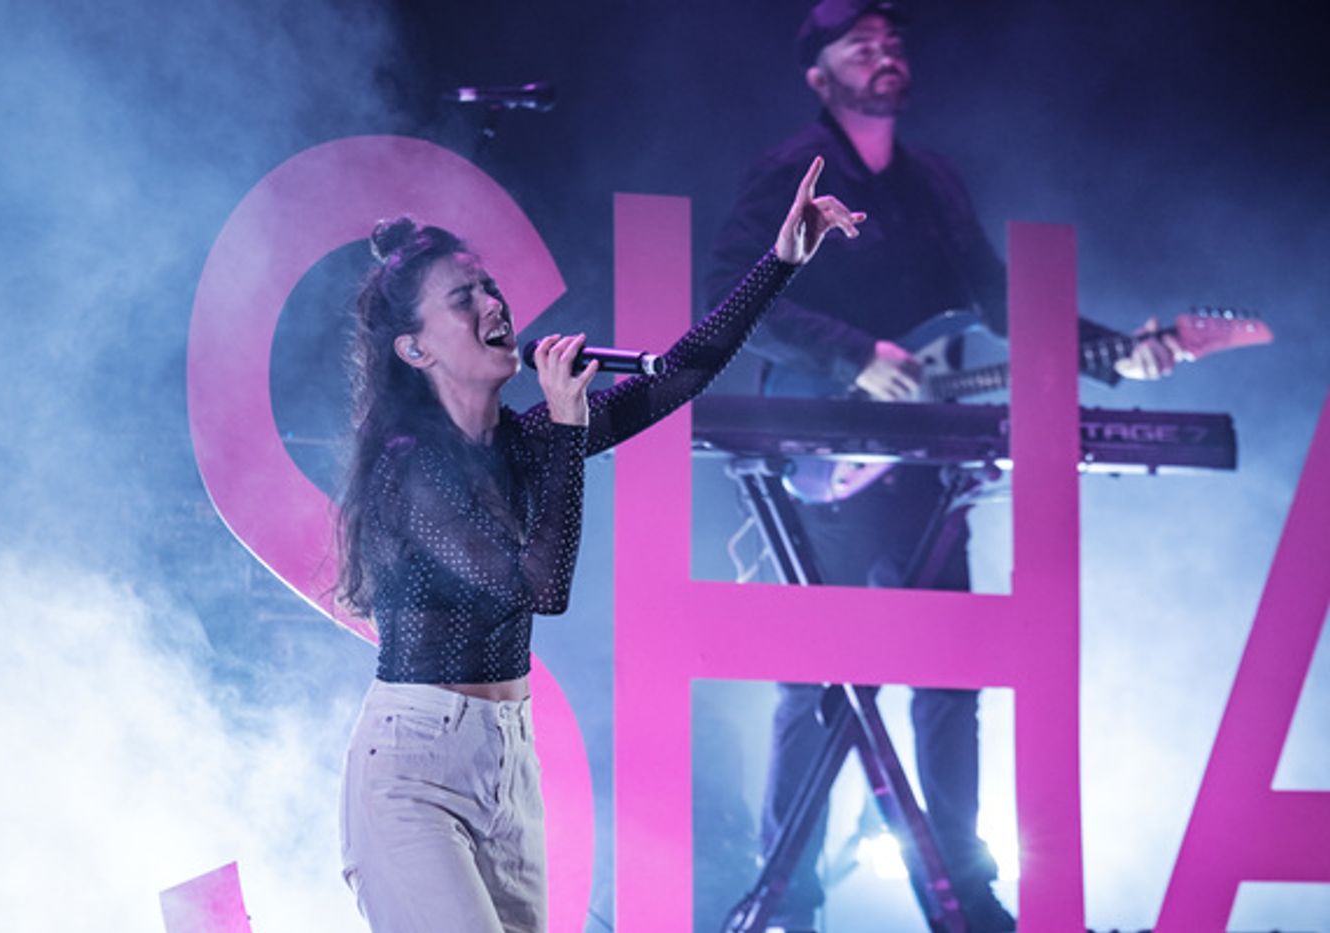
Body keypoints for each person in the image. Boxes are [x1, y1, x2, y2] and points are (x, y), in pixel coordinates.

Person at [706, 2, 1182, 931]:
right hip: (828, 455)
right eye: (861, 43)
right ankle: (789, 901)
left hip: (925, 462)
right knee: (818, 681)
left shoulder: (933, 184)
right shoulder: (791, 171)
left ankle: (961, 895)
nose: (884, 51)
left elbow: (1000, 303)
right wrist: (855, 355)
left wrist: (1113, 352)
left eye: (893, 40)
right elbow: (733, 294)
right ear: (818, 75)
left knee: (950, 679)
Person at [334, 158, 864, 933]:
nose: (493, 302)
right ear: (416, 350)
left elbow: (681, 373)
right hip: (415, 772)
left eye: (489, 287)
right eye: (463, 297)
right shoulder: (411, 467)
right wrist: (569, 428)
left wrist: (781, 261)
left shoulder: (523, 442)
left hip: (507, 762)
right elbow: (540, 588)